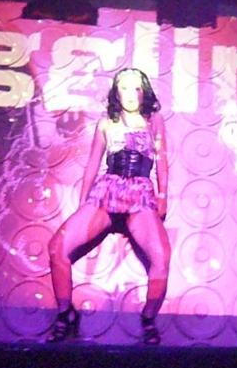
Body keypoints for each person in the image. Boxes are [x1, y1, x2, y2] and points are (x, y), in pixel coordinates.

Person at [47, 68, 171, 345]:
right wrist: (83, 204)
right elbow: (93, 163)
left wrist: (163, 196)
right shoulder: (106, 123)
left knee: (161, 258)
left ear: (144, 92)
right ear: (116, 92)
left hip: (140, 193)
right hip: (108, 190)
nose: (131, 94)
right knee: (57, 248)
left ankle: (148, 318)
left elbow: (162, 159)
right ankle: (66, 314)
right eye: (124, 88)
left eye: (136, 88)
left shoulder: (154, 120)